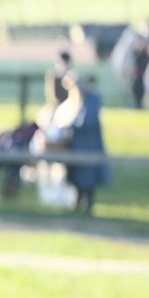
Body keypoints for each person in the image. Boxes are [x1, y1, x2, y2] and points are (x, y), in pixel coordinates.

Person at [36, 74, 110, 215]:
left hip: (89, 146)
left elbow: (85, 122)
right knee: (78, 179)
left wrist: (69, 128)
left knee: (88, 179)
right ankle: (78, 205)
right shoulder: (71, 103)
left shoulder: (90, 101)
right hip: (76, 147)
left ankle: (87, 205)